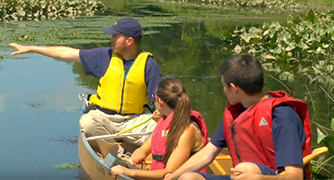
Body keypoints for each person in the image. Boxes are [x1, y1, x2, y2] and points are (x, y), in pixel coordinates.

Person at [9, 17, 162, 157]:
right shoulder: (104, 56)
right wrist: (33, 48)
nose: (111, 40)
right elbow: (66, 53)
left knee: (164, 130)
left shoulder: (149, 65)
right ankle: (119, 153)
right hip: (104, 119)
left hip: (134, 121)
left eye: (115, 36)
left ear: (129, 41)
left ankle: (136, 153)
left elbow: (160, 100)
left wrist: (161, 116)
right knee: (87, 123)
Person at [164, 53, 312, 180]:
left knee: (246, 168)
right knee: (188, 177)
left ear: (234, 88)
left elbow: (296, 176)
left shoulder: (282, 116)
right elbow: (207, 154)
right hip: (241, 176)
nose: (223, 90)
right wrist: (173, 176)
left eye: (223, 85)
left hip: (266, 177)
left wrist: (258, 178)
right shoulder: (235, 113)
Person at [111, 78, 209, 179]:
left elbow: (170, 173)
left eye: (154, 98)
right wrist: (132, 160)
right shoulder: (164, 122)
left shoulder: (187, 131)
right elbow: (143, 150)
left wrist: (131, 173)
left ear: (160, 101)